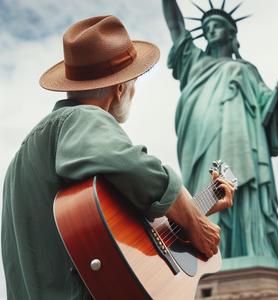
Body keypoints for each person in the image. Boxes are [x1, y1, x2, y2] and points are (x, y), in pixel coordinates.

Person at [1, 15, 234, 299]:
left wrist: (197, 209)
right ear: (121, 88)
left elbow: (101, 234)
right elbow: (138, 170)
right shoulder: (80, 118)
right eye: (133, 83)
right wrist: (194, 221)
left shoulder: (22, 163)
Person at [162, 0, 278, 261]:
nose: (210, 30)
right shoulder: (194, 62)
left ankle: (249, 251)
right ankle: (204, 256)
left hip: (242, 140)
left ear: (232, 33)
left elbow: (271, 114)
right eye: (207, 26)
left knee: (239, 186)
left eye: (217, 26)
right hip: (201, 140)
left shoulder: (247, 70)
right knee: (203, 191)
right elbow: (176, 26)